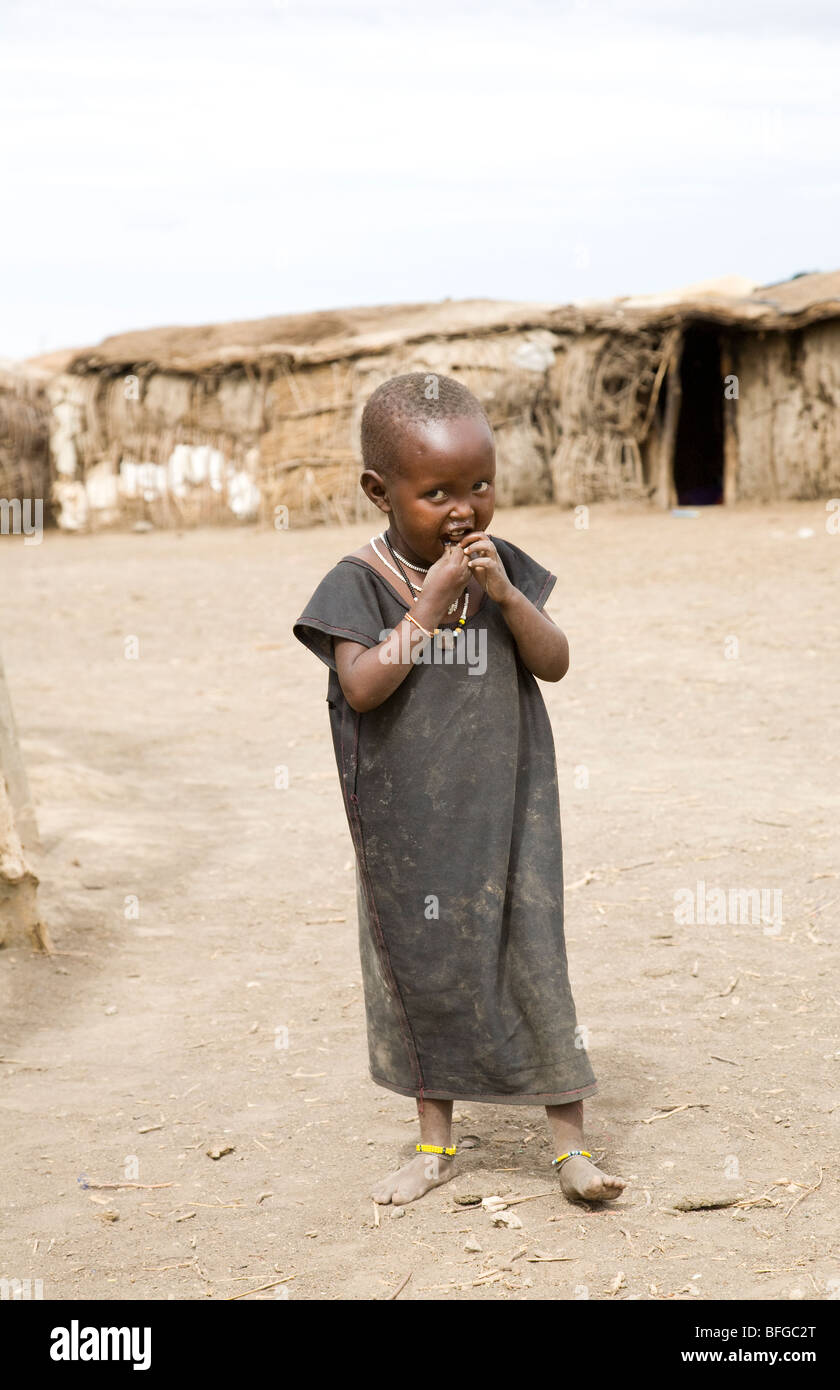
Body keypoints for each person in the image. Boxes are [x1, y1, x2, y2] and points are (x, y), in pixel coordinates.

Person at [293, 372, 625, 1208]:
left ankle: (568, 1153)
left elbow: (555, 661)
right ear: (379, 491)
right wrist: (433, 600)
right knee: (425, 970)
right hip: (409, 830)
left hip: (510, 812)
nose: (463, 511)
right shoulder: (357, 583)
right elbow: (363, 686)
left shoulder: (499, 569)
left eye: (480, 486)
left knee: (534, 962)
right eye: (436, 492)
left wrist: (505, 595)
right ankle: (435, 1146)